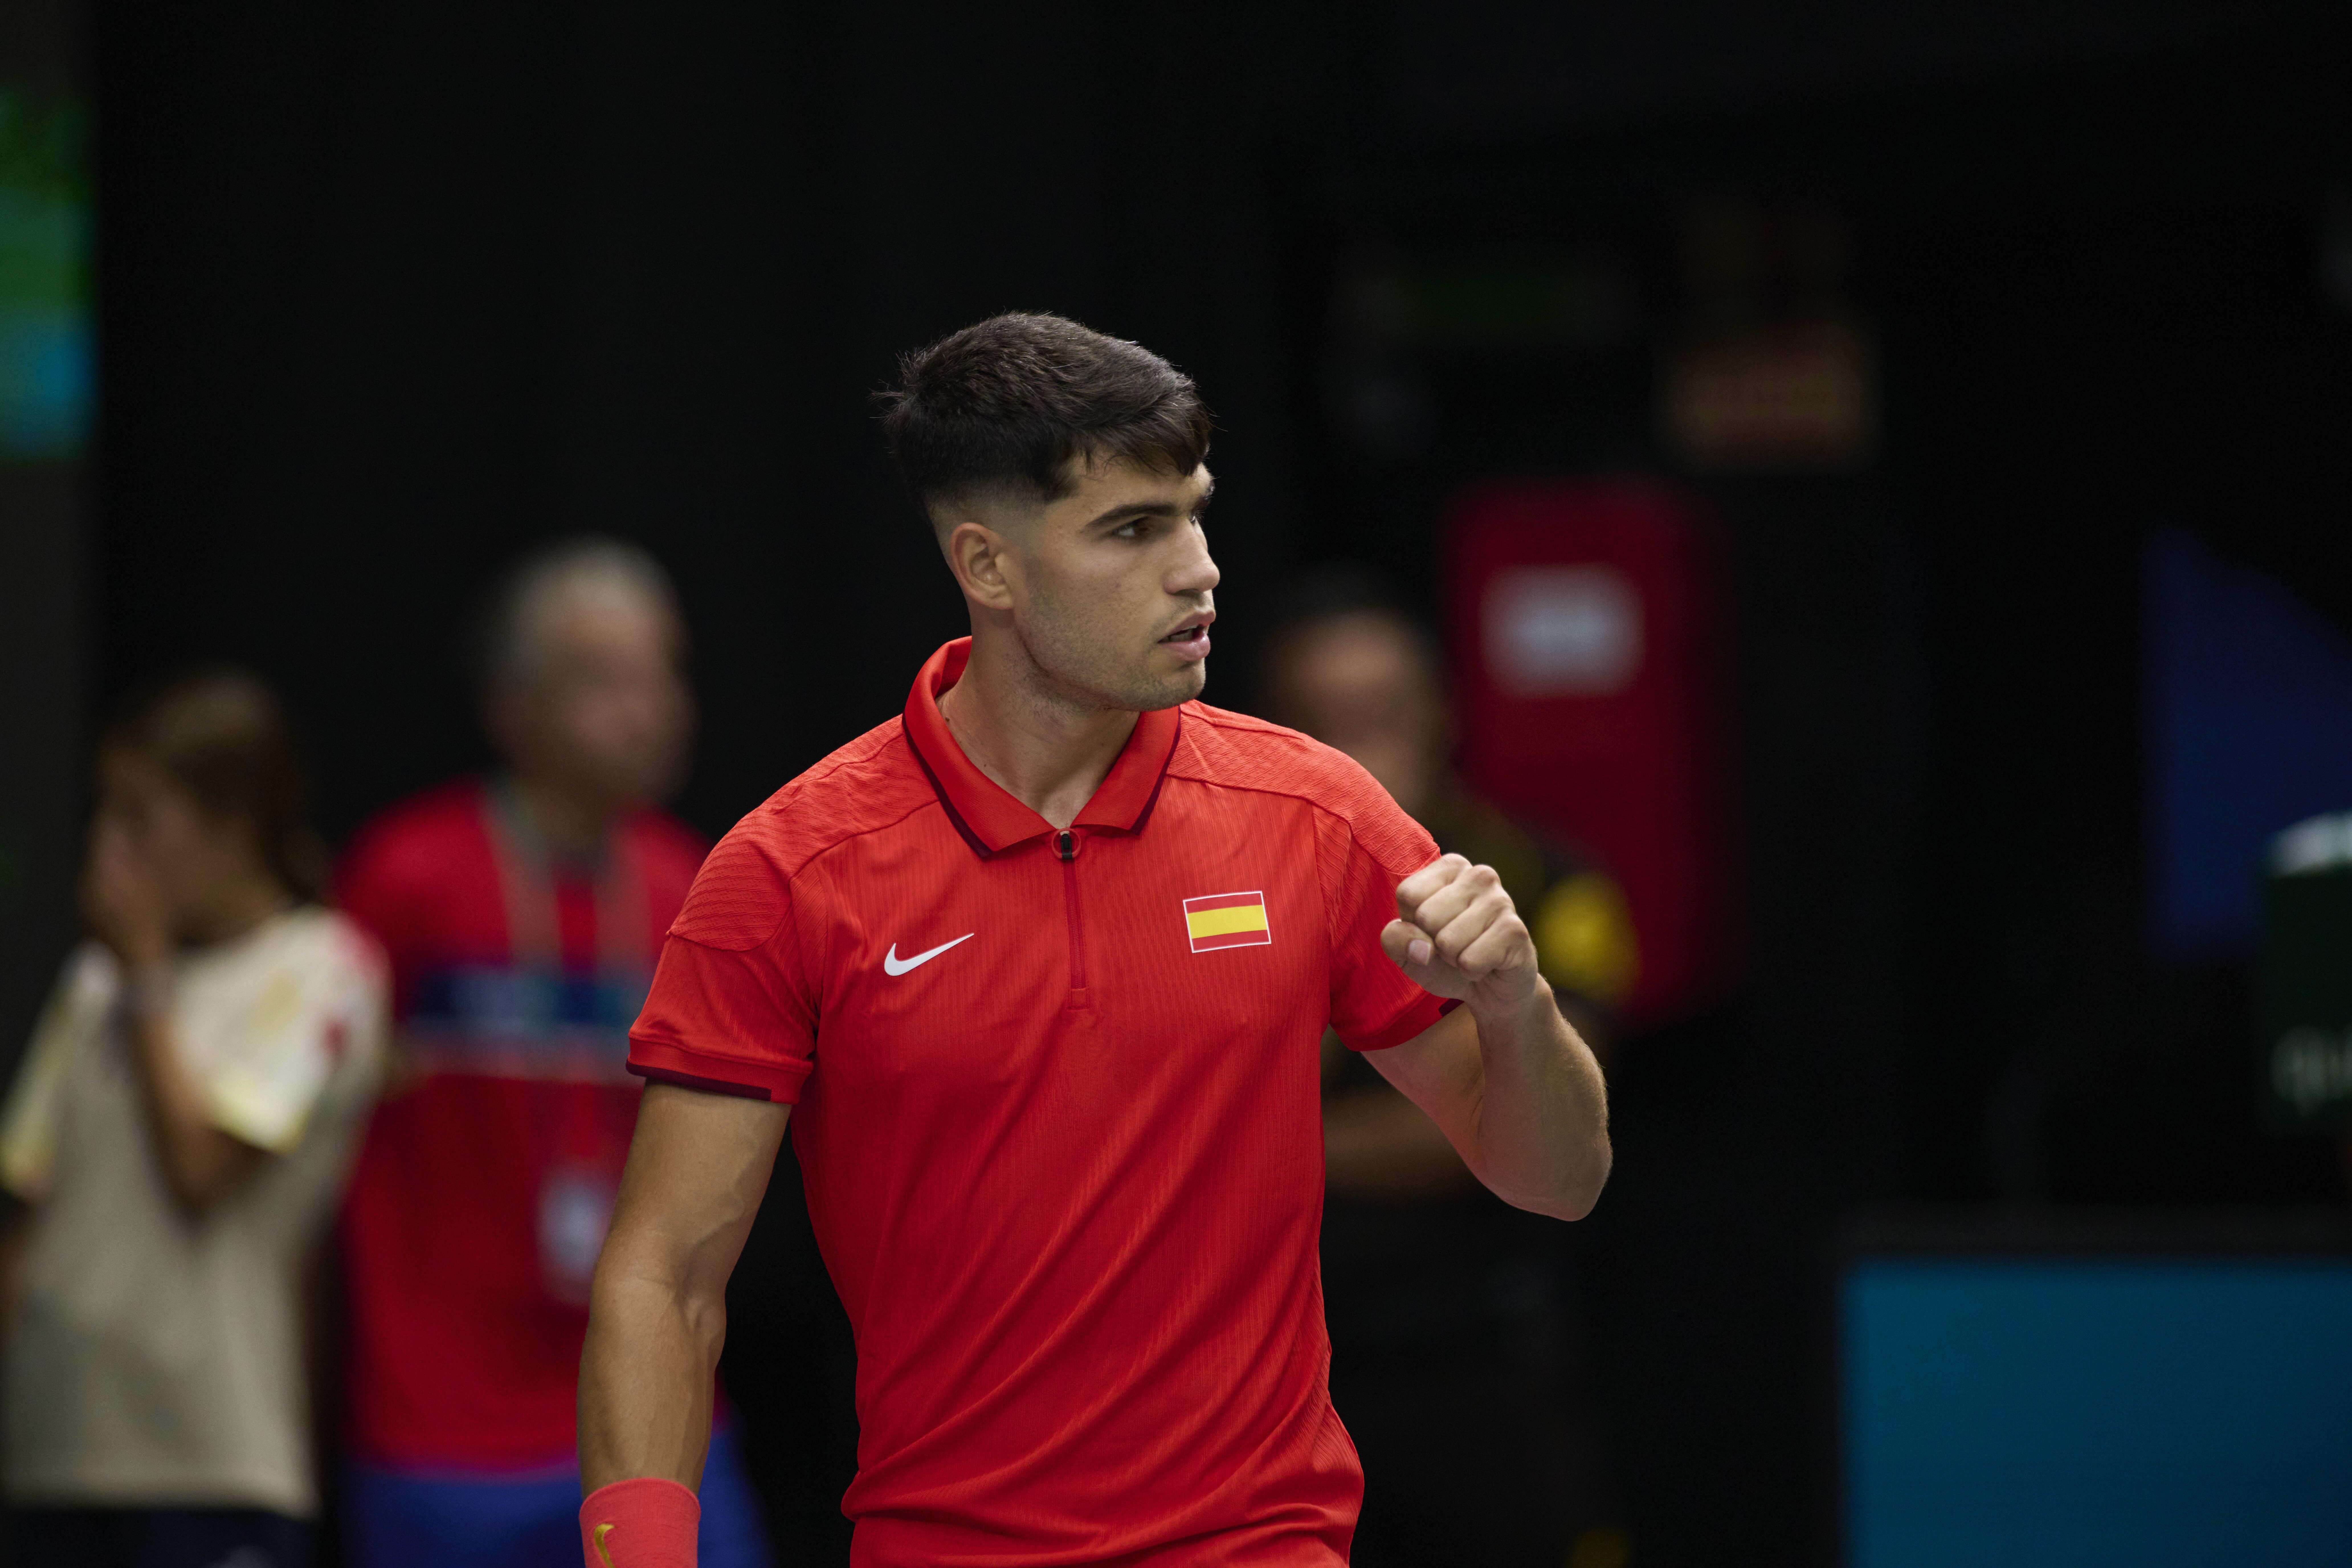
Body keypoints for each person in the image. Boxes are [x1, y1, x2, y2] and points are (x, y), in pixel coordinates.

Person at [576, 313, 1614, 1568]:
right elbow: (665, 1277)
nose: (1199, 569)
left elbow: (1559, 1179)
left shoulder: (1320, 814)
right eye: (1133, 529)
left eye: (1196, 514)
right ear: (989, 566)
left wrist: (1515, 1004)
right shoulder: (790, 870)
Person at [331, 541, 767, 1567]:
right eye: (605, 681)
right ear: (511, 707)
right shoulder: (407, 879)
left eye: (663, 674)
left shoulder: (694, 887)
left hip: (655, 1422)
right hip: (441, 1435)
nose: (651, 710)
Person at [1261, 581, 1638, 1567]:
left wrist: (1252, 1145)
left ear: (1441, 713)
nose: (1363, 746)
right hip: (1284, 1370)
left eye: (1383, 712)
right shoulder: (1238, 893)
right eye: (1330, 720)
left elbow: (1515, 1123)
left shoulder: (1546, 882)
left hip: (1475, 1350)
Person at [0, 668, 387, 1568]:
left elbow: (200, 1168)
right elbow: (26, 1200)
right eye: (105, 815)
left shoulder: (323, 968)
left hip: (211, 1463)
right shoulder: (94, 982)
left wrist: (146, 979)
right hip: (52, 1457)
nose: (108, 850)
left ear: (231, 826)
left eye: (139, 818)